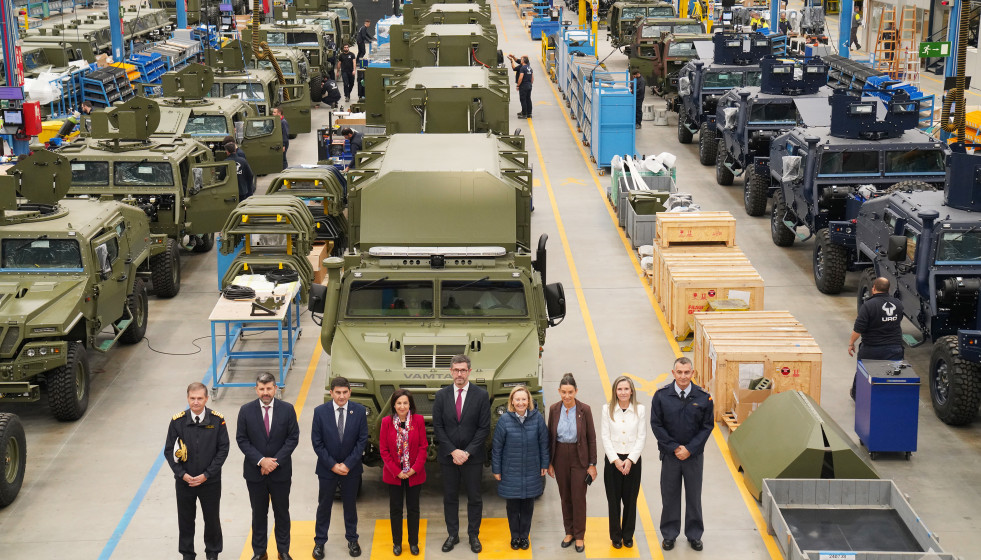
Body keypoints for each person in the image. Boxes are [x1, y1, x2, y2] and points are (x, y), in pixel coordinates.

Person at [650, 357, 713, 552]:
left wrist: (690, 449)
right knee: (669, 496)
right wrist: (675, 448)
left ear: (692, 373)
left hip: (693, 457)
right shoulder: (661, 396)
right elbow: (656, 425)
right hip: (670, 456)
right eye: (679, 372)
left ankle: (694, 535)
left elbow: (707, 427)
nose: (683, 376)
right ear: (673, 373)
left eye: (687, 372)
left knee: (694, 497)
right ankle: (669, 534)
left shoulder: (703, 397)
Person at [236, 373, 300, 560]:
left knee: (281, 512)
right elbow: (242, 439)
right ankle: (259, 552)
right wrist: (261, 460)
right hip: (255, 473)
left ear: (275, 388)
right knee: (258, 513)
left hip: (280, 472)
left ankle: (283, 551)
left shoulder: (287, 410)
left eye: (269, 388)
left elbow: (292, 438)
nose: (265, 392)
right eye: (262, 389)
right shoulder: (245, 411)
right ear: (256, 389)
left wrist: (274, 462)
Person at [431, 354, 491, 554]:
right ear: (450, 371)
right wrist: (453, 451)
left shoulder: (481, 395)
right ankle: (453, 534)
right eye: (456, 370)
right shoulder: (441, 396)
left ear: (469, 372)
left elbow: (484, 428)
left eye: (463, 370)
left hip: (472, 457)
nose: (459, 374)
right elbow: (438, 427)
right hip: (449, 457)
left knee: (475, 498)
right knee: (450, 497)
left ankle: (474, 535)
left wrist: (466, 452)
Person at [165, 382, 230, 560]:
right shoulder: (177, 421)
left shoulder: (217, 420)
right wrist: (182, 475)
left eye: (199, 398)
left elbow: (223, 450)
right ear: (187, 398)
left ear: (206, 399)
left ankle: (212, 553)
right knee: (185, 520)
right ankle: (187, 554)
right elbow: (169, 451)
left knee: (212, 519)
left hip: (210, 482)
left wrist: (207, 475)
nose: (196, 402)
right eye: (192, 398)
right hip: (185, 483)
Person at [311, 377, 369, 559]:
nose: (341, 396)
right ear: (331, 393)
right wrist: (333, 465)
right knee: (324, 506)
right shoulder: (320, 412)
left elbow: (362, 441)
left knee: (350, 506)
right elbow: (317, 442)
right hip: (327, 469)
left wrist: (347, 464)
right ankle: (319, 542)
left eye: (345, 392)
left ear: (350, 392)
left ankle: (352, 540)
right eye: (338, 392)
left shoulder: (359, 411)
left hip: (351, 470)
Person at [491, 386, 549, 551]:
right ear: (512, 401)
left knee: (528, 507)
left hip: (531, 469)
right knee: (513, 507)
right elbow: (497, 448)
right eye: (517, 399)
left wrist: (544, 464)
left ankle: (524, 536)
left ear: (529, 401)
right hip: (511, 471)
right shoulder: (504, 421)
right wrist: (497, 469)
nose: (521, 402)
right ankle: (514, 536)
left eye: (524, 399)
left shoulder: (537, 418)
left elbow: (544, 443)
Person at [547, 373, 597, 553]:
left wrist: (592, 464)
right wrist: (550, 462)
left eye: (570, 392)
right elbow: (550, 437)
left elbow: (591, 438)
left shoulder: (585, 410)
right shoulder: (553, 410)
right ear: (559, 391)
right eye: (563, 392)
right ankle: (569, 532)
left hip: (579, 456)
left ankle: (580, 535)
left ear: (576, 391)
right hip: (560, 455)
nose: (567, 396)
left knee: (578, 497)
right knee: (565, 496)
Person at [379, 389, 428, 557]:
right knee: (396, 510)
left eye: (405, 403)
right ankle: (397, 543)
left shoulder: (419, 420)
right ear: (393, 404)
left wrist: (414, 469)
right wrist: (397, 471)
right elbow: (384, 450)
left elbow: (423, 447)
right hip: (395, 476)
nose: (402, 406)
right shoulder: (386, 422)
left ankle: (413, 542)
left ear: (410, 405)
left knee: (414, 509)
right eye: (399, 403)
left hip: (415, 474)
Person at [601, 376, 647, 549]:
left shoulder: (640, 410)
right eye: (619, 389)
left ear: (632, 391)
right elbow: (605, 436)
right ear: (615, 391)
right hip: (613, 462)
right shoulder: (607, 410)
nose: (623, 392)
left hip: (632, 462)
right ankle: (616, 536)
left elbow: (641, 437)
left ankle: (628, 535)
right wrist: (616, 460)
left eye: (626, 389)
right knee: (613, 501)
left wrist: (629, 460)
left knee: (630, 500)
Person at [848, 277, 904, 398]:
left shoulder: (868, 306)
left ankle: (858, 397)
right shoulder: (898, 304)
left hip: (872, 349)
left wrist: (851, 343)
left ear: (873, 289)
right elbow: (898, 320)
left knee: (863, 374)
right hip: (894, 349)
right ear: (888, 289)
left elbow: (858, 329)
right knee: (891, 377)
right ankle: (886, 399)